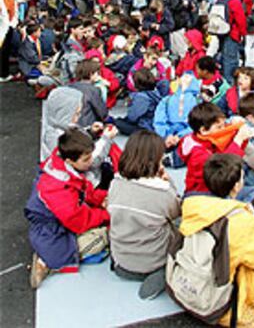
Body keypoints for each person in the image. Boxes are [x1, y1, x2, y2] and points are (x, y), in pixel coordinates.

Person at [179, 153, 254, 327]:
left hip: (193, 271)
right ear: (236, 186)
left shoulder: (192, 204)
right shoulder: (240, 219)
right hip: (216, 290)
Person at [25, 129, 110, 288]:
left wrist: (101, 198)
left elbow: (83, 190)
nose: (91, 161)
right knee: (101, 237)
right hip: (50, 226)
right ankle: (46, 262)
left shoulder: (61, 165)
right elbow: (78, 220)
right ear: (71, 161)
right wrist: (106, 214)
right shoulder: (58, 188)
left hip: (55, 217)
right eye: (86, 159)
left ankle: (44, 259)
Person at [108, 130, 181, 300]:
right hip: (153, 260)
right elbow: (177, 212)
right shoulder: (163, 192)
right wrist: (168, 181)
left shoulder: (115, 183)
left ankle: (126, 267)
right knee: (183, 228)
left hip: (121, 259)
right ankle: (164, 273)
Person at [178, 102, 252, 194]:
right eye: (219, 127)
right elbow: (224, 168)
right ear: (203, 130)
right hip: (202, 193)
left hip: (213, 187)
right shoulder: (198, 153)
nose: (223, 129)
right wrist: (238, 140)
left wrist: (236, 129)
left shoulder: (206, 138)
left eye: (224, 125)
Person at [115, 68, 169, 135]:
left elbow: (132, 117)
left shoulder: (141, 97)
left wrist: (130, 105)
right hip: (153, 122)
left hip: (146, 127)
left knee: (116, 122)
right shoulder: (155, 91)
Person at [217, 0, 247, 83]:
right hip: (232, 33)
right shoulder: (234, 1)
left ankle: (223, 81)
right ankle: (229, 85)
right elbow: (241, 20)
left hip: (220, 31)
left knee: (223, 58)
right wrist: (243, 34)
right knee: (231, 60)